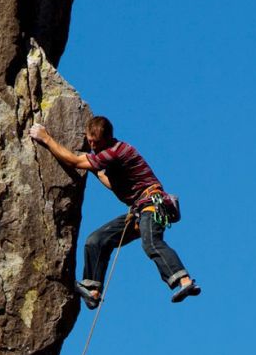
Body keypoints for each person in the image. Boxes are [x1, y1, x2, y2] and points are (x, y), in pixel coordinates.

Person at [29, 115, 200, 308]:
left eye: (97, 142)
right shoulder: (107, 156)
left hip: (152, 204)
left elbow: (74, 162)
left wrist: (46, 138)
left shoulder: (115, 152)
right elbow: (113, 186)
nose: (93, 146)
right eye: (90, 141)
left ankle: (184, 280)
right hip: (139, 209)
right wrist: (96, 171)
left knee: (151, 242)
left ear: (108, 138)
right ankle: (92, 289)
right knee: (96, 241)